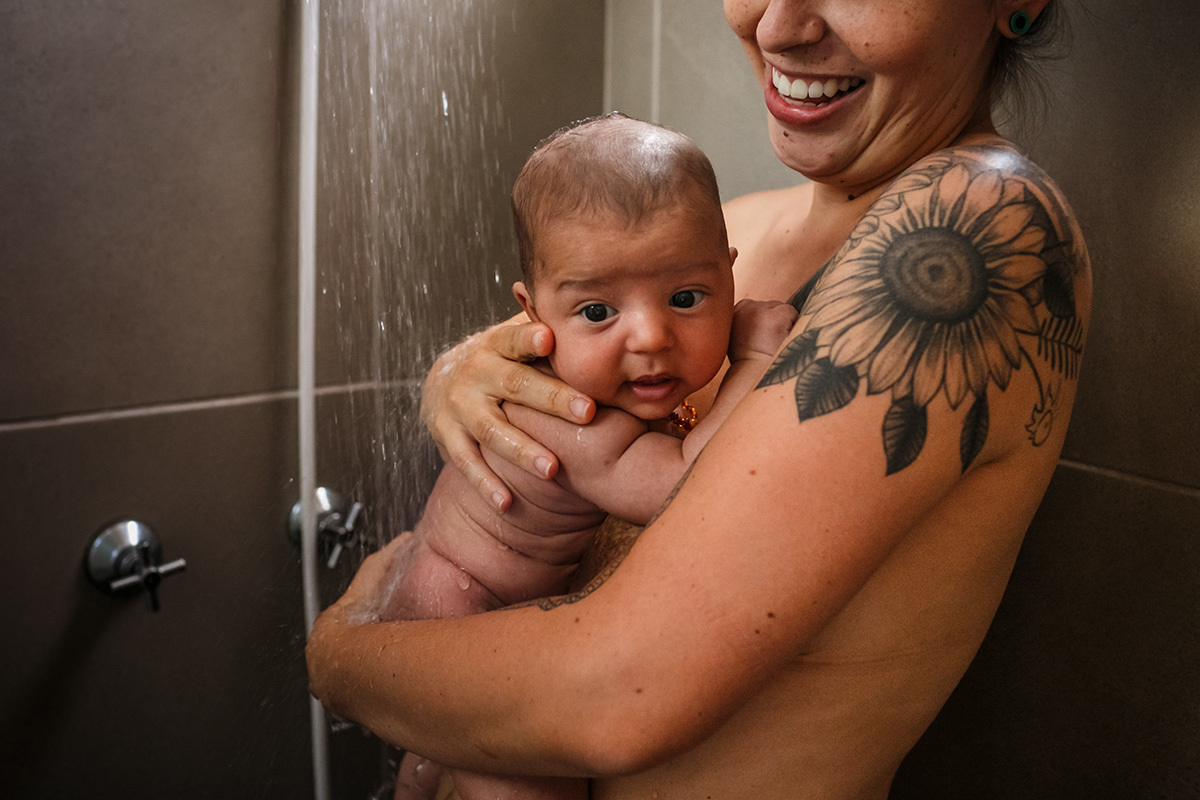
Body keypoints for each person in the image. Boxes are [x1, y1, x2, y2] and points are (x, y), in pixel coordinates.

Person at [308, 2, 1093, 798]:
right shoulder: (720, 239)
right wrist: (459, 371)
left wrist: (340, 651)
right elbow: (551, 352)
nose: (777, 24)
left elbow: (616, 698)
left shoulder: (971, 229)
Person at [379, 114, 798, 800]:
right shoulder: (575, 421)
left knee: (450, 759)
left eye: (686, 299)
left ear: (730, 276)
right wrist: (753, 358)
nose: (651, 338)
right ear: (532, 314)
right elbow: (685, 487)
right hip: (458, 611)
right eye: (599, 312)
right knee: (536, 782)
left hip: (454, 594)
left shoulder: (585, 382)